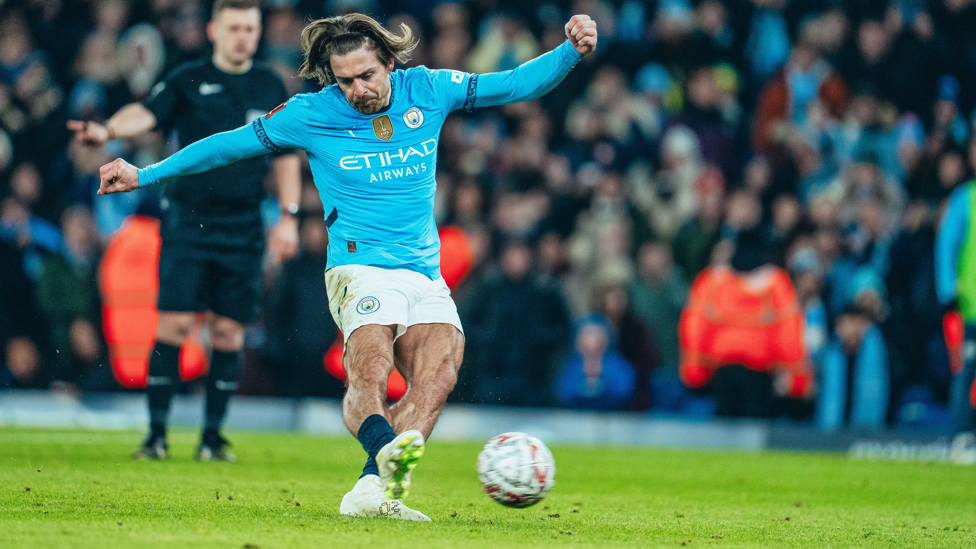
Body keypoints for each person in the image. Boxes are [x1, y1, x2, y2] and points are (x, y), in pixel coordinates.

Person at [93, 12, 597, 520]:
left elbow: (514, 85)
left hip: (423, 272)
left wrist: (569, 52)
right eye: (345, 80)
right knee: (371, 368)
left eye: (366, 76)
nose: (357, 90)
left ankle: (370, 491)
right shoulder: (310, 113)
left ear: (390, 63)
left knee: (439, 375)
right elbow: (228, 145)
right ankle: (382, 445)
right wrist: (147, 173)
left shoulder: (429, 89)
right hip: (358, 269)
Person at [68, 0, 302, 462]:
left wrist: (290, 216)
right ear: (214, 30)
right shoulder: (186, 78)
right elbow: (148, 114)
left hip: (244, 225)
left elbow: (288, 154)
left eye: (251, 29)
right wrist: (109, 129)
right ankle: (156, 435)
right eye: (234, 27)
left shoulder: (270, 84)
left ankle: (212, 438)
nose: (243, 37)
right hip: (189, 222)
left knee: (229, 333)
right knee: (174, 326)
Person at [935, 178, 976, 465]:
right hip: (969, 307)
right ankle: (963, 438)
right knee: (966, 371)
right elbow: (947, 242)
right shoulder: (967, 197)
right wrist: (947, 288)